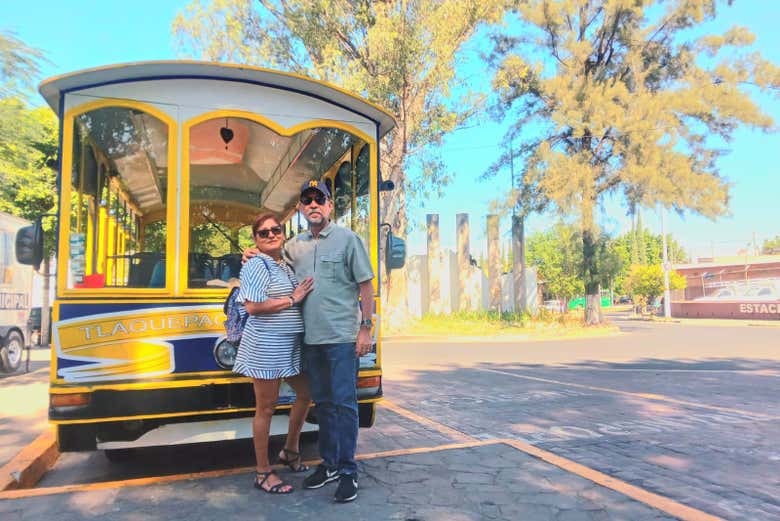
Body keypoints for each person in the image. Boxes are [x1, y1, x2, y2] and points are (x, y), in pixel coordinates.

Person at [244, 180, 374, 503]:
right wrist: (249, 253)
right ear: (302, 208)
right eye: (307, 200)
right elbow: (270, 258)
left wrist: (366, 328)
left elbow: (366, 287)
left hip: (343, 338)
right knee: (325, 405)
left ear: (329, 205)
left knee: (345, 405)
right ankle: (329, 465)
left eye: (320, 199)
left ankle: (347, 472)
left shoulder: (348, 240)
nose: (314, 204)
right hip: (311, 341)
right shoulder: (294, 246)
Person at [234, 213, 315, 494]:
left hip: (289, 346)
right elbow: (253, 307)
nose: (270, 235)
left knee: (306, 393)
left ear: (283, 233)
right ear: (255, 239)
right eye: (263, 232)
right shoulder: (257, 265)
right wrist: (292, 299)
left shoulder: (282, 265)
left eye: (275, 230)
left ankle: (290, 451)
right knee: (266, 408)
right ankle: (262, 472)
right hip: (266, 345)